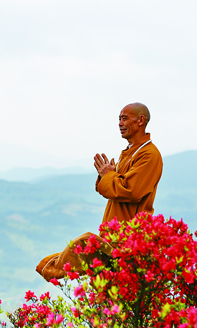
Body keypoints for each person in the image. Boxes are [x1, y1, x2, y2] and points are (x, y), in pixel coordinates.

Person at [36, 102, 163, 281]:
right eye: (119, 119)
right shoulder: (129, 153)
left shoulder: (149, 155)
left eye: (124, 118)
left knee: (84, 243)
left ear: (141, 120)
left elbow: (131, 191)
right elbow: (116, 186)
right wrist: (109, 175)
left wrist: (108, 175)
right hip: (114, 234)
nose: (120, 123)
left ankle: (52, 269)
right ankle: (50, 268)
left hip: (129, 237)